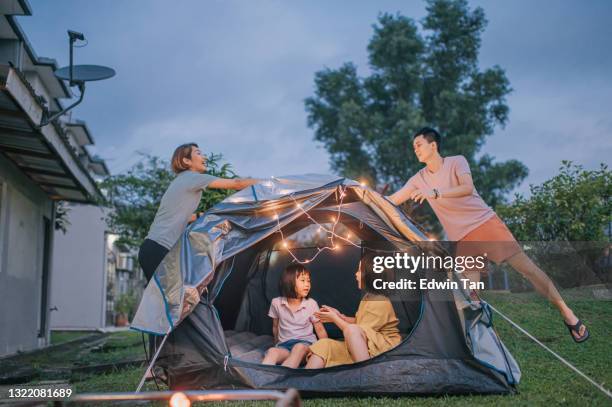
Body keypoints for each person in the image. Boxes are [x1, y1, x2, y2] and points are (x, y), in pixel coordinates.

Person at [388, 127, 589, 343]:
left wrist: (435, 193)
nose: (415, 149)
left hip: (485, 224)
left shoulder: (457, 162)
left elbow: (467, 187)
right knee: (470, 296)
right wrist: (358, 195)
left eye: (418, 145)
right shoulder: (418, 179)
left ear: (433, 145)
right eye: (414, 147)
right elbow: (391, 200)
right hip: (463, 239)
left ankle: (568, 314)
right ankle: (487, 345)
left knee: (528, 270)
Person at [138, 142, 259, 282]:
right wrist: (270, 183)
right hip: (159, 249)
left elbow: (181, 215)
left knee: (166, 300)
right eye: (198, 153)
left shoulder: (182, 180)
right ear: (186, 161)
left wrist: (203, 216)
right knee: (173, 299)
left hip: (152, 248)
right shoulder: (192, 177)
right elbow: (237, 183)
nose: (204, 157)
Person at [305, 262, 401, 368]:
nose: (356, 274)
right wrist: (341, 317)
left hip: (381, 347)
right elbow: (360, 322)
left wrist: (335, 318)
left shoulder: (380, 301)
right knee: (323, 345)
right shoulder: (367, 297)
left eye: (359, 270)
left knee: (352, 330)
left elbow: (355, 332)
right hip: (364, 344)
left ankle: (365, 373)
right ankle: (305, 382)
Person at [262, 264, 328, 368]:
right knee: (272, 351)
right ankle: (261, 379)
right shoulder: (276, 303)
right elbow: (275, 326)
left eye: (308, 281)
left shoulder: (311, 304)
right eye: (302, 280)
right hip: (285, 346)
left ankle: (284, 379)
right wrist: (276, 344)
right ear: (289, 282)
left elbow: (319, 329)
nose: (307, 284)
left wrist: (325, 348)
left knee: (298, 347)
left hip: (306, 345)